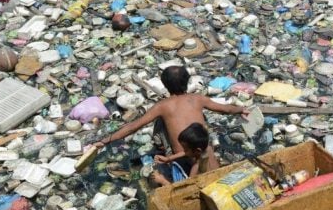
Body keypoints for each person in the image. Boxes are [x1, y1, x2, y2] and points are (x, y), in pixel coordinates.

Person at [95, 66, 248, 170]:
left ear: (165, 85)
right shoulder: (197, 99)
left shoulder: (163, 106)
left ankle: (161, 148)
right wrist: (241, 109)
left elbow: (133, 127)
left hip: (181, 156)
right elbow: (225, 109)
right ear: (187, 83)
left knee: (161, 121)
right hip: (199, 150)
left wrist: (105, 140)